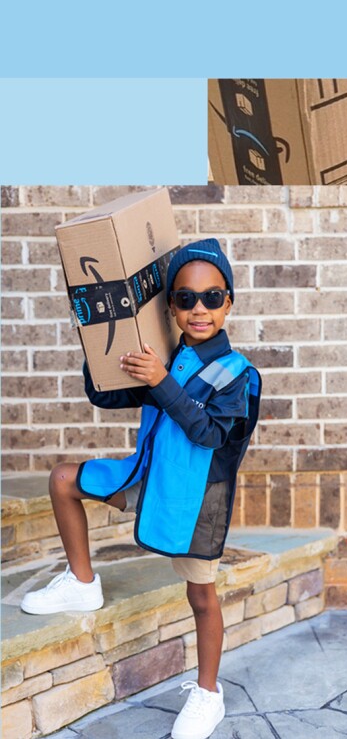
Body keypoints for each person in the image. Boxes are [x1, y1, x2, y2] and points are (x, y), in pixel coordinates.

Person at [20, 239, 261, 739]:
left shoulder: (240, 375)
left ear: (229, 302)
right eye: (187, 298)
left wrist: (162, 381)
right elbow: (108, 393)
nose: (199, 309)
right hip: (146, 475)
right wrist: (98, 340)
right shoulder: (165, 358)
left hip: (193, 498)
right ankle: (83, 584)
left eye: (212, 298)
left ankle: (208, 694)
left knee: (201, 596)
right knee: (64, 479)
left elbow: (211, 434)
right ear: (171, 306)